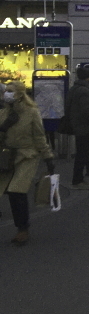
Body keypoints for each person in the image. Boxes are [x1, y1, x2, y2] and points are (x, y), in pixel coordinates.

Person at [0, 81, 57, 246]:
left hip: (28, 155)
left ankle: (22, 228)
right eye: (6, 91)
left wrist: (48, 157)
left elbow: (40, 137)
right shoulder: (3, 114)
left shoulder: (32, 113)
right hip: (8, 156)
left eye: (11, 91)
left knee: (17, 190)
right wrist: (3, 128)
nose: (7, 94)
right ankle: (21, 225)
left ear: (19, 94)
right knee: (10, 192)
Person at [64, 66, 89, 190]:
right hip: (85, 127)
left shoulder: (74, 89)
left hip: (77, 125)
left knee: (82, 153)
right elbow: (86, 110)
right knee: (83, 153)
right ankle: (78, 179)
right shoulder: (84, 91)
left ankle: (78, 179)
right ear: (87, 78)